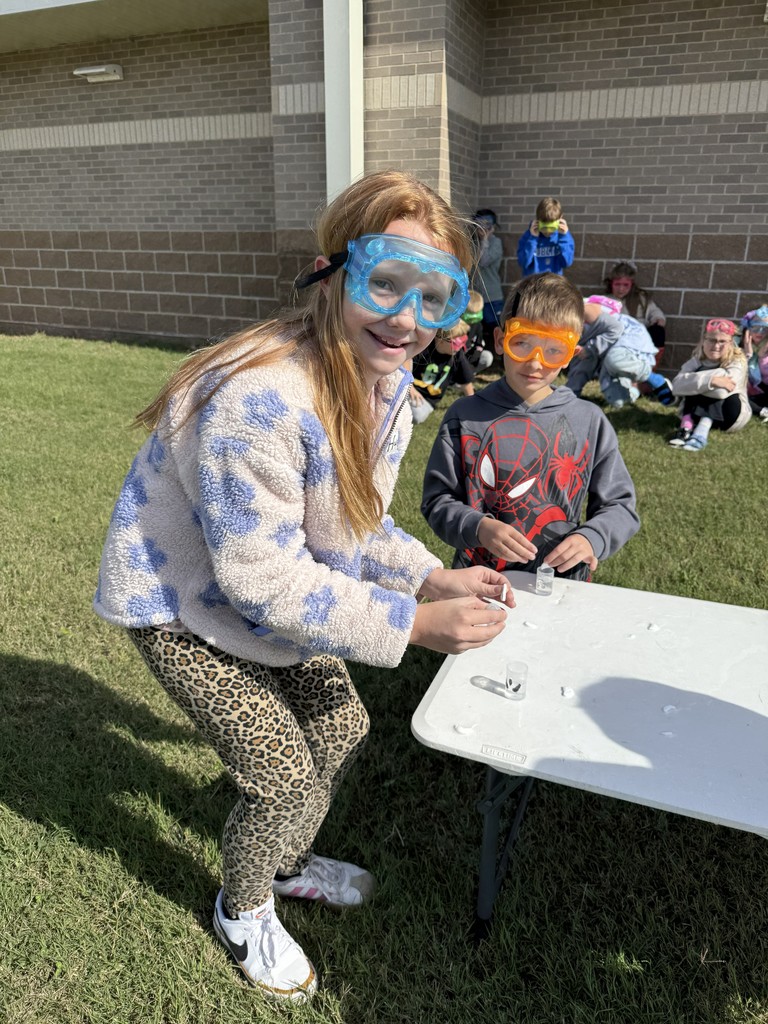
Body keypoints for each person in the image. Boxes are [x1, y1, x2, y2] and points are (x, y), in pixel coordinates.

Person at [93, 171, 514, 1001]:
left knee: (342, 727)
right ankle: (241, 910)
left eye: (434, 296)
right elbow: (264, 579)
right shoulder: (261, 399)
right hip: (177, 608)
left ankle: (282, 861)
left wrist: (431, 574)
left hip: (266, 594)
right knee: (282, 772)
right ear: (333, 270)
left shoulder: (383, 381)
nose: (405, 318)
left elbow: (350, 528)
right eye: (384, 283)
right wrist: (416, 625)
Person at [421, 272, 640, 583]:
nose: (536, 363)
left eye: (553, 350)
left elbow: (620, 505)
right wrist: (478, 527)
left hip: (561, 586)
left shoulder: (590, 421)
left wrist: (593, 538)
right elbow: (437, 499)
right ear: (499, 340)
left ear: (571, 355)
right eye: (522, 343)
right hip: (479, 580)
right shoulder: (464, 415)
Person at [565, 295, 674, 408]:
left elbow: (616, 329)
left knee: (615, 360)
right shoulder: (558, 332)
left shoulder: (582, 308)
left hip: (627, 335)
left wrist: (589, 349)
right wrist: (571, 394)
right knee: (618, 401)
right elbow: (582, 362)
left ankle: (656, 380)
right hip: (608, 348)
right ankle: (638, 388)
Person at [669, 318, 752, 449]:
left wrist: (692, 381)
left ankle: (701, 430)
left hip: (729, 416)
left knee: (697, 386)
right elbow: (676, 386)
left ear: (731, 343)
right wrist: (712, 380)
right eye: (712, 340)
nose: (716, 345)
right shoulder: (697, 360)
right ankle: (687, 425)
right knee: (701, 382)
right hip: (696, 414)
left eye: (722, 341)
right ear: (704, 341)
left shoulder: (737, 361)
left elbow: (721, 393)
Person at [407, 317, 489, 425]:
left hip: (429, 398)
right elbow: (406, 359)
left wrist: (473, 406)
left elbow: (466, 382)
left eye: (463, 341)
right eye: (456, 343)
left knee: (417, 415)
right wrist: (409, 386)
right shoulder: (425, 347)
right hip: (412, 387)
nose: (461, 346)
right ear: (440, 340)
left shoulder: (457, 354)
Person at [603, 259, 666, 355]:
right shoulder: (605, 301)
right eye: (617, 284)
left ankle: (651, 363)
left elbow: (654, 311)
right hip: (617, 340)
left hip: (639, 339)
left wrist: (658, 319)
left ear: (631, 284)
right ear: (611, 283)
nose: (621, 289)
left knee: (658, 332)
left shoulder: (641, 299)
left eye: (625, 285)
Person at [516, 197, 575, 278]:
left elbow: (567, 263)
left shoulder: (564, 237)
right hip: (532, 285)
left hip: (553, 285)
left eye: (552, 228)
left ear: (560, 218)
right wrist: (533, 239)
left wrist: (563, 238)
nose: (548, 232)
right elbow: (523, 262)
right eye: (544, 228)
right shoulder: (528, 237)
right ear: (537, 220)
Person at [471, 209, 504, 349]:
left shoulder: (496, 242)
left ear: (493, 227)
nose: (483, 228)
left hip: (492, 295)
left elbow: (484, 261)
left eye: (487, 225)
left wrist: (485, 239)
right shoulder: (472, 243)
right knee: (474, 327)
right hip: (475, 295)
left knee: (495, 327)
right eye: (480, 224)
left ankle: (499, 354)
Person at [741, 305, 768, 422]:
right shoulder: (736, 345)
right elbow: (736, 374)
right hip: (746, 394)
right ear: (747, 329)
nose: (760, 333)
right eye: (756, 328)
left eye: (765, 328)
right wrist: (748, 355)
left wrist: (762, 358)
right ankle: (761, 411)